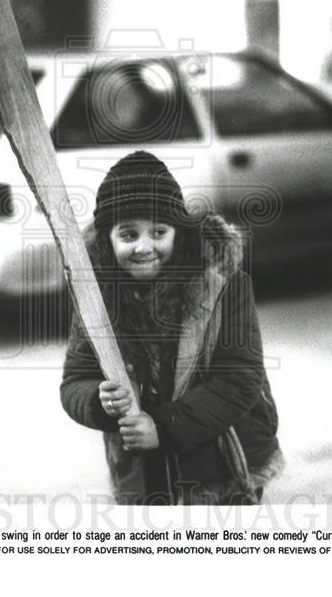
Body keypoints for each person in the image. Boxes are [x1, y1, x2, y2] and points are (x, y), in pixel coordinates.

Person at [60, 150, 284, 505]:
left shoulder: (224, 285)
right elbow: (74, 381)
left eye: (158, 232)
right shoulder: (96, 297)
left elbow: (239, 378)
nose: (144, 247)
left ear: (178, 234)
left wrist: (163, 427)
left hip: (222, 465)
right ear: (107, 240)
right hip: (143, 475)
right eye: (128, 235)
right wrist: (99, 400)